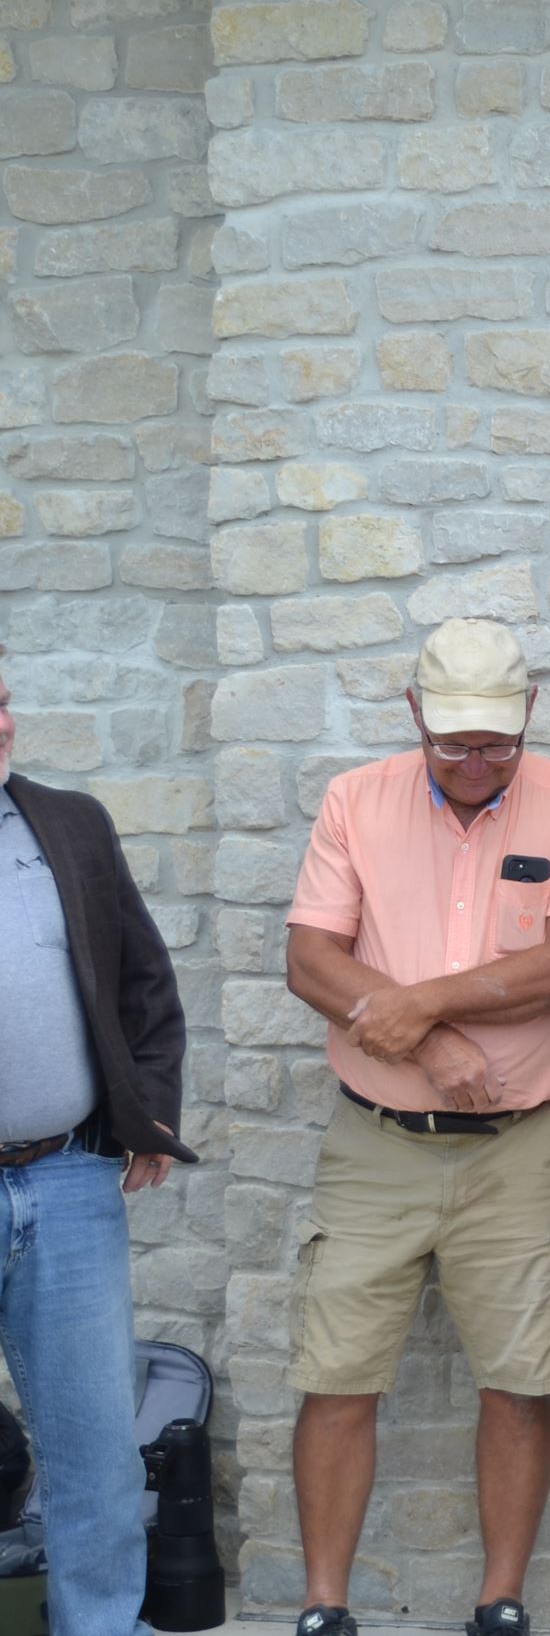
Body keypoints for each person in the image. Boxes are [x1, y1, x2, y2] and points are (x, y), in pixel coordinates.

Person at [282, 619, 550, 1636]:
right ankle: (322, 1606)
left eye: (494, 743)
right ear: (413, 717)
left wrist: (419, 1001)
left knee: (522, 1377)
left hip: (517, 1146)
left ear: (527, 714)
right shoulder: (356, 799)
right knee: (336, 1371)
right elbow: (312, 961)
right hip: (374, 1141)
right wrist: (428, 1048)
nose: (476, 763)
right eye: (452, 745)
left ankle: (500, 1601)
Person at [0, 657, 193, 1636]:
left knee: (97, 1458)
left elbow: (144, 977)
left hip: (69, 1179)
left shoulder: (69, 823)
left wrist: (146, 1111)